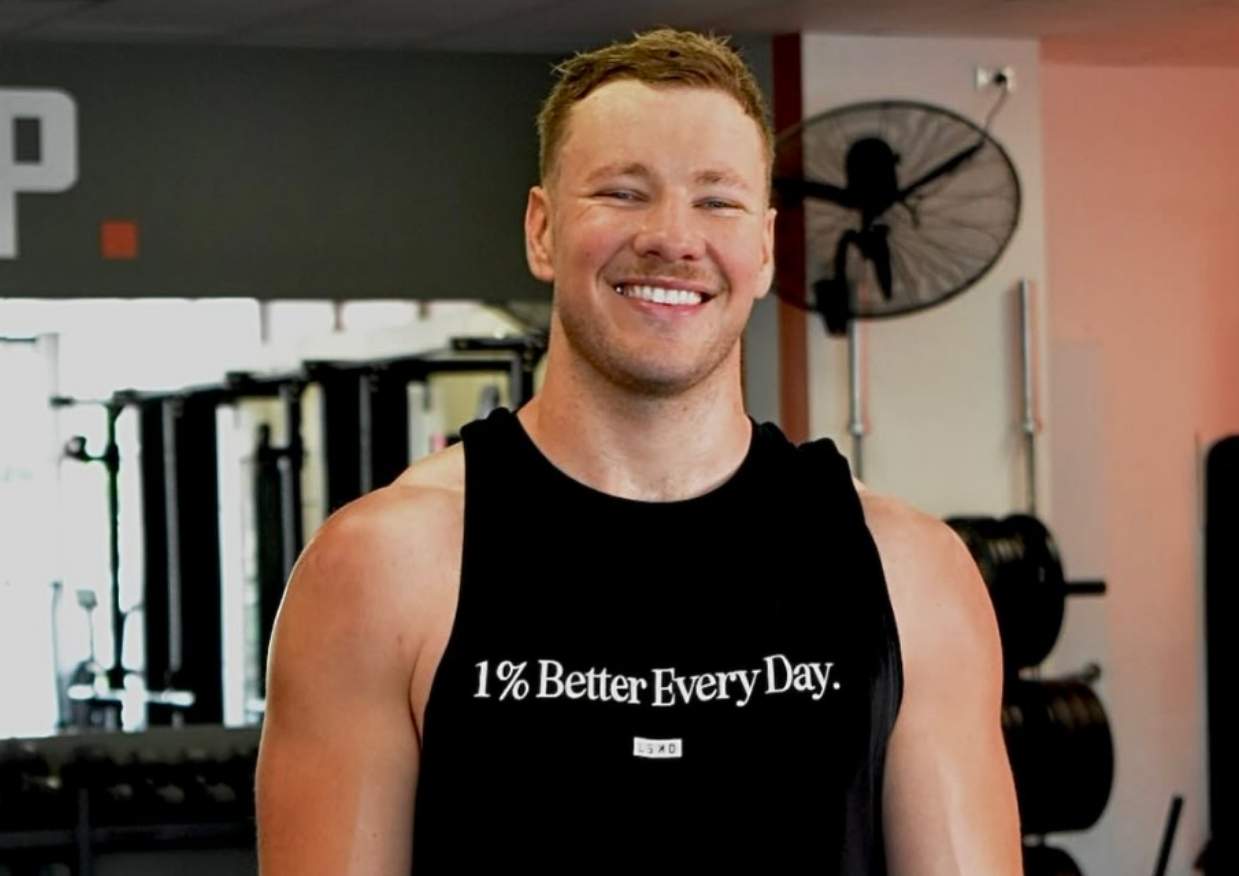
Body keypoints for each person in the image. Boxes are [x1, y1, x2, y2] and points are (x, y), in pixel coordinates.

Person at [255, 28, 1022, 873]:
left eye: (716, 201)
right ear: (542, 231)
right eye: (622, 192)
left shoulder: (908, 572)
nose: (671, 236)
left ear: (764, 247)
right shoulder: (382, 567)